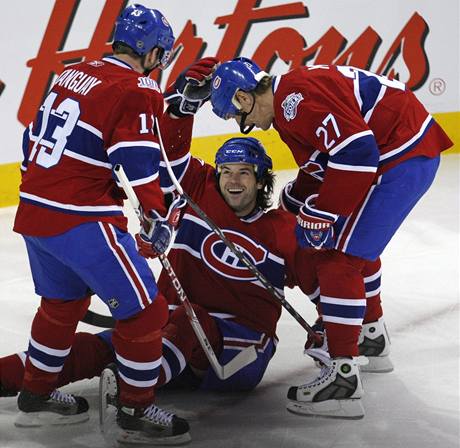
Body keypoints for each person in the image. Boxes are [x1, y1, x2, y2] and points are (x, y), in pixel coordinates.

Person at [1, 128, 356, 418]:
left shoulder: (283, 230)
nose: (232, 181)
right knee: (97, 347)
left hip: (239, 347)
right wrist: (181, 109)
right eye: (226, 172)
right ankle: (12, 377)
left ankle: (133, 395)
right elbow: (171, 152)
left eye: (244, 173)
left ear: (262, 180)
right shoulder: (200, 194)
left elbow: (326, 291)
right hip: (170, 330)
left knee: (189, 320)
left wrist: (330, 333)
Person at [10, 3, 216, 444]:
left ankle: (37, 393)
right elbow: (136, 160)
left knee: (60, 306)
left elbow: (31, 137)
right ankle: (136, 411)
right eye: (161, 52)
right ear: (151, 50)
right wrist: (156, 213)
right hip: (82, 220)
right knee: (146, 311)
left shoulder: (72, 73)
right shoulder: (137, 87)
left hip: (34, 212)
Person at [209, 58, 453, 416]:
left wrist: (323, 213)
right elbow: (325, 159)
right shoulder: (289, 104)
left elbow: (357, 153)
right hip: (400, 152)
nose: (243, 124)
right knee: (355, 246)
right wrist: (296, 199)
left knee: (337, 257)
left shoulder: (296, 101)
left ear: (244, 99)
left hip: (399, 156)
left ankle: (343, 381)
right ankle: (370, 336)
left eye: (235, 116)